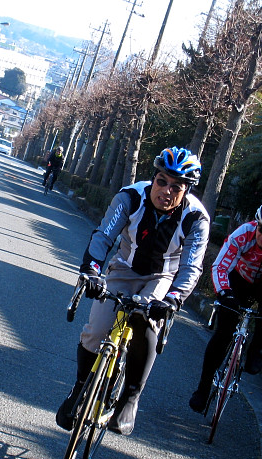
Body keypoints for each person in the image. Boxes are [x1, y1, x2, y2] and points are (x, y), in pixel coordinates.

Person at [56, 146, 211, 435]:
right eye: (162, 181)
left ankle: (130, 398)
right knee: (95, 330)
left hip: (162, 277)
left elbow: (191, 267)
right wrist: (91, 270)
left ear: (186, 190)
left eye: (176, 187)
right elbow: (104, 235)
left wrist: (174, 299)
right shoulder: (130, 197)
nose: (166, 191)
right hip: (124, 268)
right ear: (153, 178)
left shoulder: (196, 219)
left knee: (146, 320)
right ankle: (78, 390)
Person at [189, 200, 262, 413]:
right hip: (239, 279)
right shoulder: (243, 233)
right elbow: (221, 266)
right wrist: (224, 292)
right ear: (256, 225)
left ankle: (255, 350)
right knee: (223, 334)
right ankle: (202, 390)